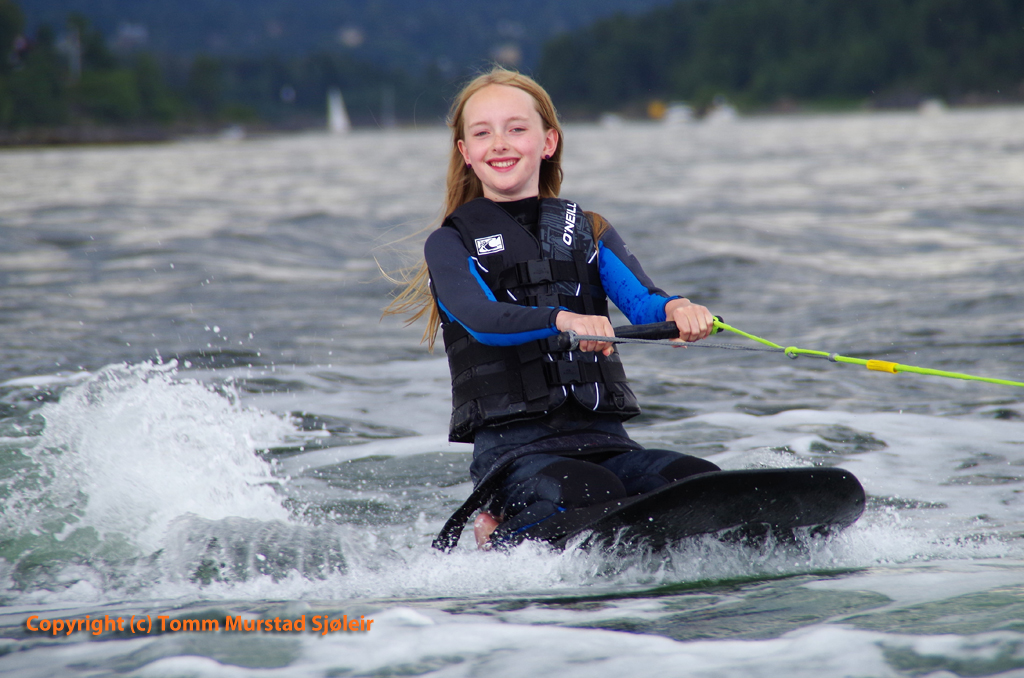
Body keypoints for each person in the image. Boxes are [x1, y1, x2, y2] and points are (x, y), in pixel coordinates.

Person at [385, 67, 720, 550]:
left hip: (605, 442)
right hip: (514, 455)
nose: (500, 143)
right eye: (482, 133)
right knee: (589, 492)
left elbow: (645, 304)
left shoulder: (590, 230)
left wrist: (680, 311)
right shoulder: (450, 244)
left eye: (516, 128)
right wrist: (561, 319)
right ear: (465, 153)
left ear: (548, 142)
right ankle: (494, 537)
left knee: (695, 481)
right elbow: (480, 318)